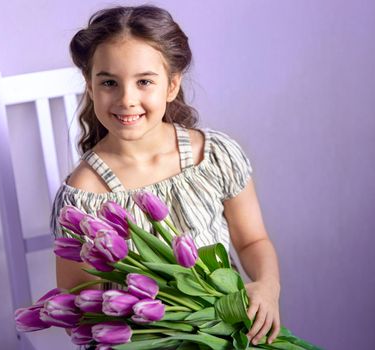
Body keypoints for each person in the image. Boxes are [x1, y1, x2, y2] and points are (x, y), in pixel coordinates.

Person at [50, 4, 281, 347]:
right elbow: (80, 305)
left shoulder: (214, 156)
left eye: (144, 81)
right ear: (90, 86)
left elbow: (252, 241)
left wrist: (267, 286)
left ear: (172, 85)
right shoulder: (83, 197)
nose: (127, 99)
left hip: (228, 330)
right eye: (109, 82)